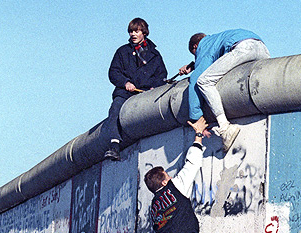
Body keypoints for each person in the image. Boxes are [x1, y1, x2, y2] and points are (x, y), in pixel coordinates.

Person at [179, 29, 270, 152]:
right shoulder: (215, 40)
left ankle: (225, 128)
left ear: (195, 46)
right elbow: (221, 61)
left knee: (204, 81)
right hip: (262, 48)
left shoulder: (203, 46)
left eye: (195, 54)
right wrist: (194, 65)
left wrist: (196, 118)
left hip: (243, 48)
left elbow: (196, 79)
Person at [104, 18, 167, 161]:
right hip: (125, 92)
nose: (133, 34)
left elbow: (162, 75)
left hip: (146, 93)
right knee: (114, 110)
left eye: (136, 31)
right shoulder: (122, 52)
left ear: (144, 32)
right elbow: (113, 72)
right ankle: (114, 145)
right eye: (131, 31)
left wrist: (154, 87)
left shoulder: (155, 55)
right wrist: (125, 82)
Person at [144, 116, 208, 233]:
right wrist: (198, 134)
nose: (172, 177)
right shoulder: (175, 187)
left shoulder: (154, 207)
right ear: (164, 182)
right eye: (168, 176)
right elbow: (192, 163)